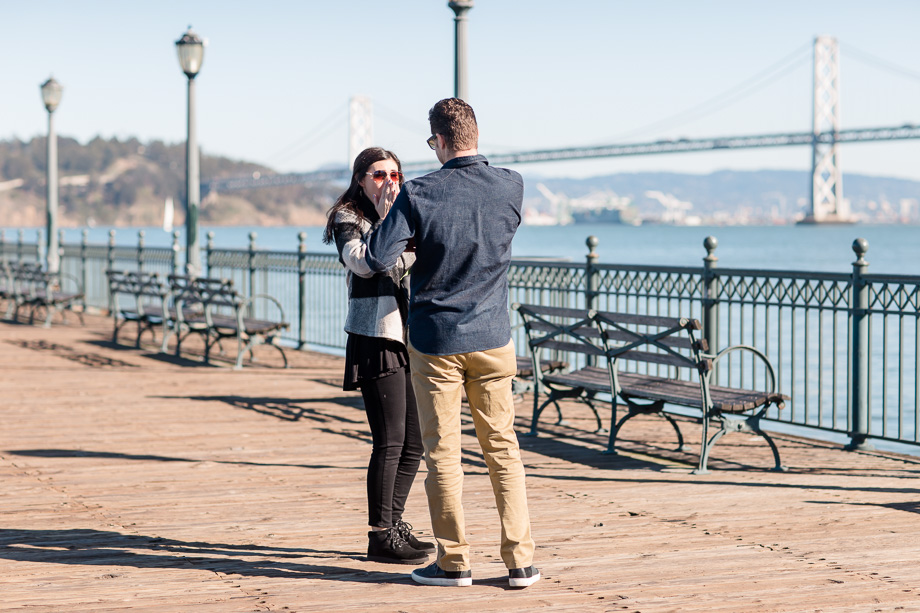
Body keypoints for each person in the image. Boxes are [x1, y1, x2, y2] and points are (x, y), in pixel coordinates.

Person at [363, 99, 540, 588]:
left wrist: (391, 215)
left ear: (439, 140)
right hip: (493, 338)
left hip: (436, 339)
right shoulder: (512, 184)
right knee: (503, 448)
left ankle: (454, 561)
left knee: (443, 454)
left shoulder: (419, 193)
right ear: (475, 135)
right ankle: (520, 561)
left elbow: (379, 258)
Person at [322, 147, 434, 565]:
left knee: (415, 442)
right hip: (375, 336)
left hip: (409, 337)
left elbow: (419, 262)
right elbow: (364, 264)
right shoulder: (348, 219)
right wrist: (389, 222)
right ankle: (380, 535)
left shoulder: (406, 214)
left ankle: (396, 522)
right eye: (379, 174)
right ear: (361, 179)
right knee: (388, 442)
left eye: (395, 175)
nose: (389, 182)